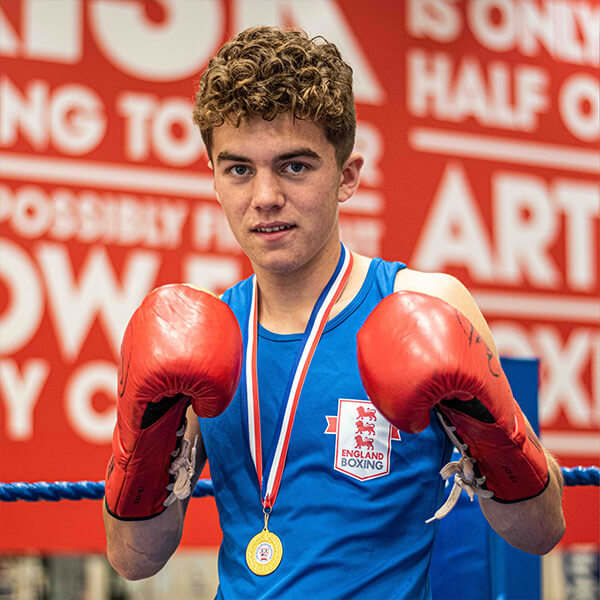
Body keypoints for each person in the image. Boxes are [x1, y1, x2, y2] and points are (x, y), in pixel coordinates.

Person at [103, 26, 565, 599]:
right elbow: (134, 559)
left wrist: (484, 420)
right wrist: (145, 438)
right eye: (239, 169)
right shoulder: (202, 338)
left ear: (347, 176)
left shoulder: (424, 305)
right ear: (215, 179)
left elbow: (541, 531)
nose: (265, 196)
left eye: (294, 166)